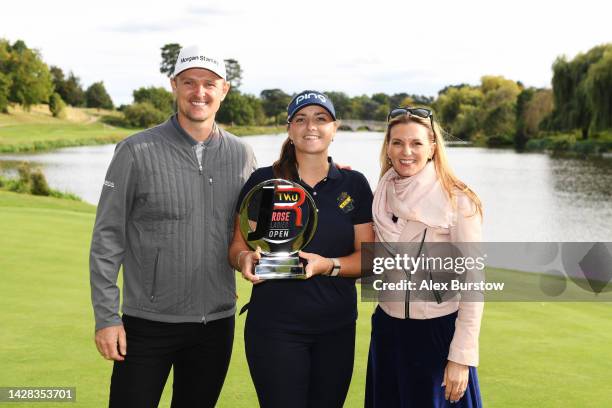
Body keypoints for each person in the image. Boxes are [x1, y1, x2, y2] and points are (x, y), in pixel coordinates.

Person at [89, 45, 256, 408]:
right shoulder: (134, 151)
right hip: (146, 325)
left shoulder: (242, 155)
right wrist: (106, 317)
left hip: (216, 324)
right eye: (189, 82)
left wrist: (328, 176)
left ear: (224, 89)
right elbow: (107, 237)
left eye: (209, 84)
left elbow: (246, 232)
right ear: (174, 86)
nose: (200, 93)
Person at [228, 90, 375, 408]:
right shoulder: (264, 180)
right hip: (274, 327)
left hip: (336, 329)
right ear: (289, 129)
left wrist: (328, 265)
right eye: (301, 119)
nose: (311, 126)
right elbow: (238, 246)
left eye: (321, 119)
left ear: (335, 128)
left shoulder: (354, 184)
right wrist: (245, 260)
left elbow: (368, 258)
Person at [365, 107, 484, 407]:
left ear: (432, 148)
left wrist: (461, 357)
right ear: (388, 148)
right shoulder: (380, 193)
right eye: (397, 142)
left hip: (436, 337)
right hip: (387, 333)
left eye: (416, 143)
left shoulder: (459, 200)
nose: (406, 151)